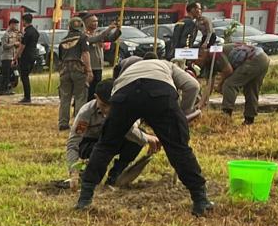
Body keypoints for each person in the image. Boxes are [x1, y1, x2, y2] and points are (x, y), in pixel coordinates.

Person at [76, 57, 211, 216]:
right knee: (178, 148)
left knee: (105, 146)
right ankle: (200, 200)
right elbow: (192, 86)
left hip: (124, 96)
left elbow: (125, 116)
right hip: (160, 94)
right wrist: (183, 114)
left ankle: (84, 198)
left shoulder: (124, 76)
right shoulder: (165, 64)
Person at [61, 80, 157, 189]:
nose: (107, 110)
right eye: (104, 105)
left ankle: (116, 174)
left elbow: (131, 130)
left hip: (112, 141)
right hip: (91, 144)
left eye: (111, 106)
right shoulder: (86, 113)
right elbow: (73, 143)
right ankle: (89, 173)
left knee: (137, 138)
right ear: (96, 97)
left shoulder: (123, 108)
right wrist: (73, 172)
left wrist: (146, 138)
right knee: (99, 151)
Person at [209, 39, 270, 126]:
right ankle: (249, 119)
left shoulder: (217, 53)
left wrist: (220, 84)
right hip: (263, 58)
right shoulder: (218, 50)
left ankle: (226, 115)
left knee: (229, 84)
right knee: (251, 89)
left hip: (254, 58)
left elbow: (228, 70)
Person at [57, 18, 93, 132]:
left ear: (69, 27)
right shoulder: (83, 38)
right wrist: (89, 70)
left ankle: (63, 123)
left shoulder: (62, 41)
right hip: (78, 69)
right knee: (80, 97)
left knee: (65, 97)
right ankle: (78, 125)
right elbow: (85, 54)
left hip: (64, 70)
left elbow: (60, 58)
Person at [82, 14, 120, 101]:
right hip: (89, 67)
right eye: (93, 21)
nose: (96, 23)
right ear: (87, 22)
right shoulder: (84, 35)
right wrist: (109, 29)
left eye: (97, 21)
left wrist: (118, 29)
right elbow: (96, 39)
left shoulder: (98, 33)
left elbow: (111, 38)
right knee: (88, 89)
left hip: (98, 65)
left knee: (96, 88)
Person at [16, 13, 40, 104]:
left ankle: (27, 97)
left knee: (24, 76)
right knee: (26, 76)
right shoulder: (35, 31)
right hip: (33, 55)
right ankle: (27, 96)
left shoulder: (27, 32)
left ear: (24, 21)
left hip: (26, 56)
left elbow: (22, 46)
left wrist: (16, 56)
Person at [0, 18, 21, 95]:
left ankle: (9, 89)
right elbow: (4, 46)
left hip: (13, 57)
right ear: (11, 24)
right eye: (15, 25)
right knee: (6, 74)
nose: (16, 26)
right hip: (6, 57)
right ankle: (3, 90)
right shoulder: (6, 34)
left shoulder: (15, 34)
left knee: (12, 74)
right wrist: (14, 44)